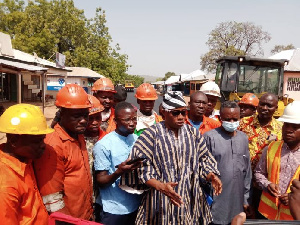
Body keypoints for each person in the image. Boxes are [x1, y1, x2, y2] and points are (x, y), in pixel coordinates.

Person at [121, 91, 222, 225]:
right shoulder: (150, 135)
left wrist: (211, 175)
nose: (180, 117)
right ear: (164, 112)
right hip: (160, 201)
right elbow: (141, 169)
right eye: (175, 113)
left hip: (189, 200)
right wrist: (161, 186)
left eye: (183, 112)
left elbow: (204, 159)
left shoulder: (193, 134)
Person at [34, 84, 93, 220]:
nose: (84, 121)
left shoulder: (78, 135)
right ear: (62, 114)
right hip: (68, 219)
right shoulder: (53, 145)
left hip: (83, 215)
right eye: (76, 116)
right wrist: (67, 222)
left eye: (86, 115)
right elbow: (52, 198)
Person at [0, 104, 53, 224]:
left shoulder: (24, 160)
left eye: (43, 139)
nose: (43, 145)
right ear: (13, 141)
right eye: (37, 141)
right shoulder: (5, 184)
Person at [93, 102, 142, 225]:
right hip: (114, 209)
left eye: (134, 119)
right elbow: (101, 181)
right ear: (115, 121)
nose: (132, 123)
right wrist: (119, 172)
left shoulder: (136, 140)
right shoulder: (104, 145)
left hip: (135, 204)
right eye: (127, 120)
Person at [204, 101, 252, 224]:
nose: (231, 123)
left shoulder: (243, 138)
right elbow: (203, 168)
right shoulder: (210, 137)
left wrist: (246, 199)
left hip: (238, 198)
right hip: (217, 199)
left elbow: (247, 171)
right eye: (227, 119)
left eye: (235, 119)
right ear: (220, 118)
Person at [238, 93, 283, 218]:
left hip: (265, 184)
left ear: (276, 108)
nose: (264, 108)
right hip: (242, 181)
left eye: (269, 105)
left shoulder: (280, 129)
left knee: (260, 215)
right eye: (262, 104)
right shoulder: (243, 123)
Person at [255, 101, 300, 220]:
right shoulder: (271, 148)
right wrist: (267, 184)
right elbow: (259, 173)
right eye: (286, 125)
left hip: (292, 217)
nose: (288, 130)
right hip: (267, 214)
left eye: (295, 127)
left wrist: (293, 197)